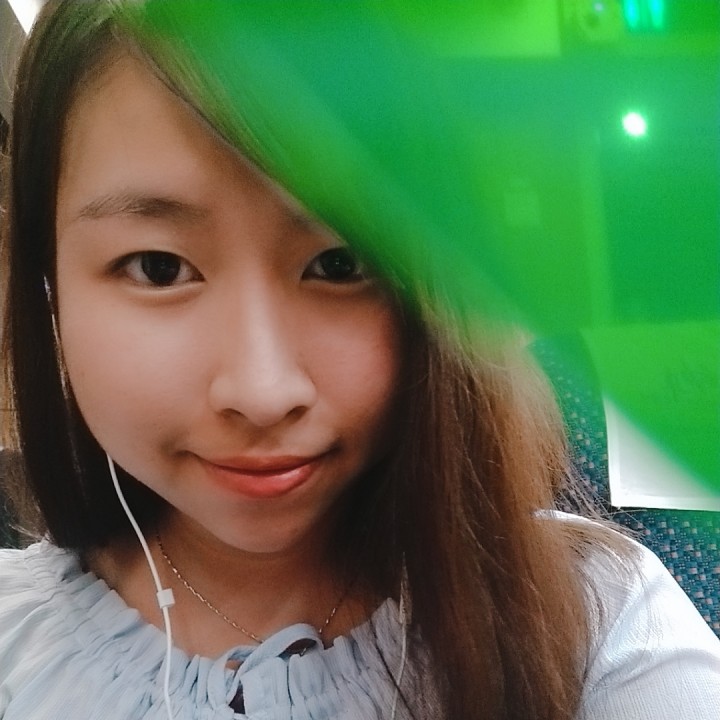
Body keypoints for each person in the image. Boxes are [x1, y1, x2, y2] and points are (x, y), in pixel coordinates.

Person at [1, 2, 719, 719]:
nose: (262, 391)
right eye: (158, 268)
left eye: (340, 263)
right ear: (49, 284)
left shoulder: (597, 621)